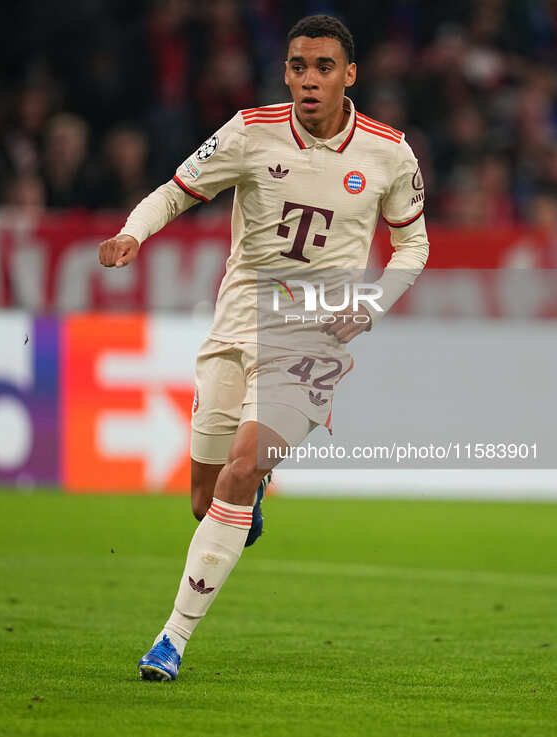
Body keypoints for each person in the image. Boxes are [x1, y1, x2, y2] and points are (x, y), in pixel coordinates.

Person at [98, 14, 429, 681]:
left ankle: (171, 639)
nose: (309, 80)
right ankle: (246, 490)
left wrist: (368, 305)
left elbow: (413, 245)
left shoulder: (388, 153)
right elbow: (176, 191)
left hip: (313, 331)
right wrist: (134, 232)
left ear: (350, 75)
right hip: (237, 318)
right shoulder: (251, 131)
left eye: (324, 67)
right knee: (205, 496)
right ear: (285, 71)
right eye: (298, 66)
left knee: (240, 466)